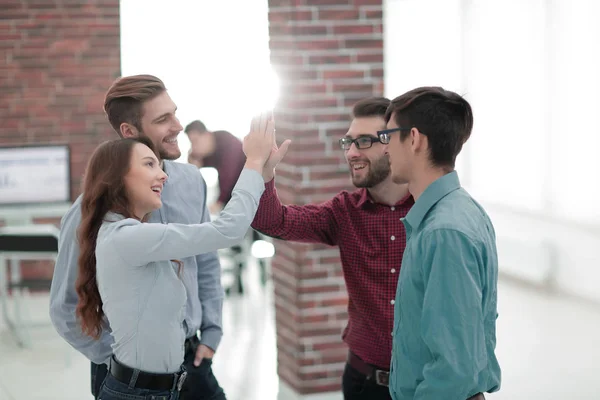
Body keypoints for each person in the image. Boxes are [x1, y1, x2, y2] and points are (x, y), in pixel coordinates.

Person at [50, 75, 227, 400]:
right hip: (126, 374)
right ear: (129, 132)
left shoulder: (191, 182)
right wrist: (117, 360)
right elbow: (64, 307)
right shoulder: (88, 211)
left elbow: (205, 263)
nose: (178, 125)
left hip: (193, 361)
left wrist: (212, 330)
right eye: (162, 119)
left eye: (174, 113)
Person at [74, 114, 272, 400]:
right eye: (149, 164)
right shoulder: (128, 237)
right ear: (119, 179)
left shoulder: (132, 234)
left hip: (169, 384)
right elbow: (227, 230)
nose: (164, 174)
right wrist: (253, 162)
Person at [251, 97, 414, 400]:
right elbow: (273, 222)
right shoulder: (344, 212)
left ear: (396, 143)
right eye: (348, 142)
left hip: (427, 385)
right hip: (365, 384)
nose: (351, 153)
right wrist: (263, 173)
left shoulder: (433, 212)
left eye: (363, 141)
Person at [380, 87, 501, 400]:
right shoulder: (456, 211)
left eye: (388, 136)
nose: (385, 149)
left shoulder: (443, 231)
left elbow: (453, 370)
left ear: (415, 139)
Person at [185, 121, 246, 215]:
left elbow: (228, 175)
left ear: (207, 135)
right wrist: (192, 159)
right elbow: (195, 166)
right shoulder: (208, 150)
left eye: (195, 141)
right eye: (191, 143)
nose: (194, 146)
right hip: (231, 197)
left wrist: (219, 202)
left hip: (248, 194)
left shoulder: (228, 142)